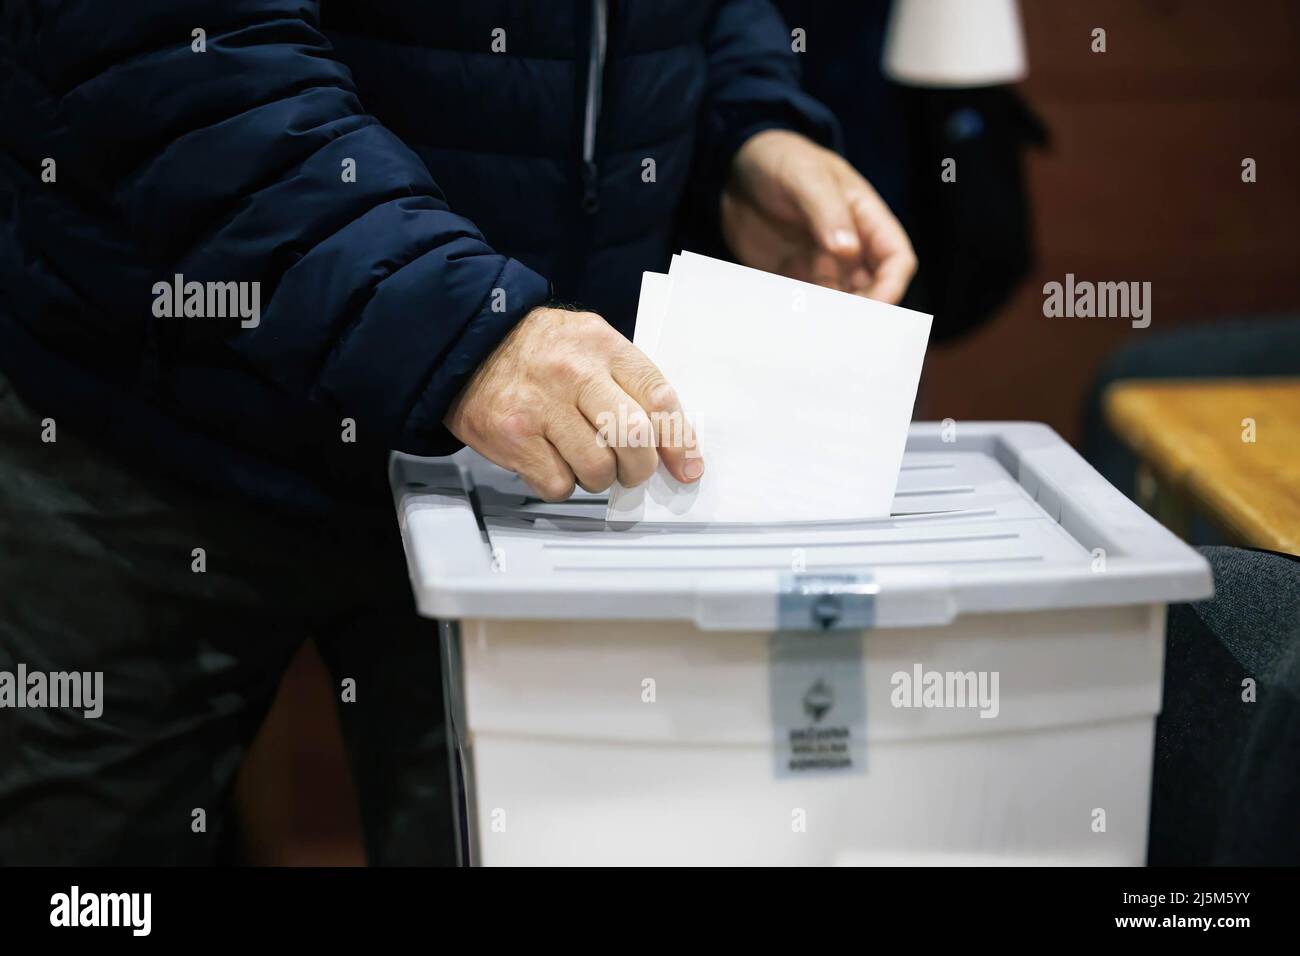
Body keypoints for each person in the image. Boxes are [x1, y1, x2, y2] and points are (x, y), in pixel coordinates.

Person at [0, 1, 913, 864]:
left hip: (523, 475)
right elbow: (177, 55)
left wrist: (744, 121)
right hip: (159, 430)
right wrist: (458, 326)